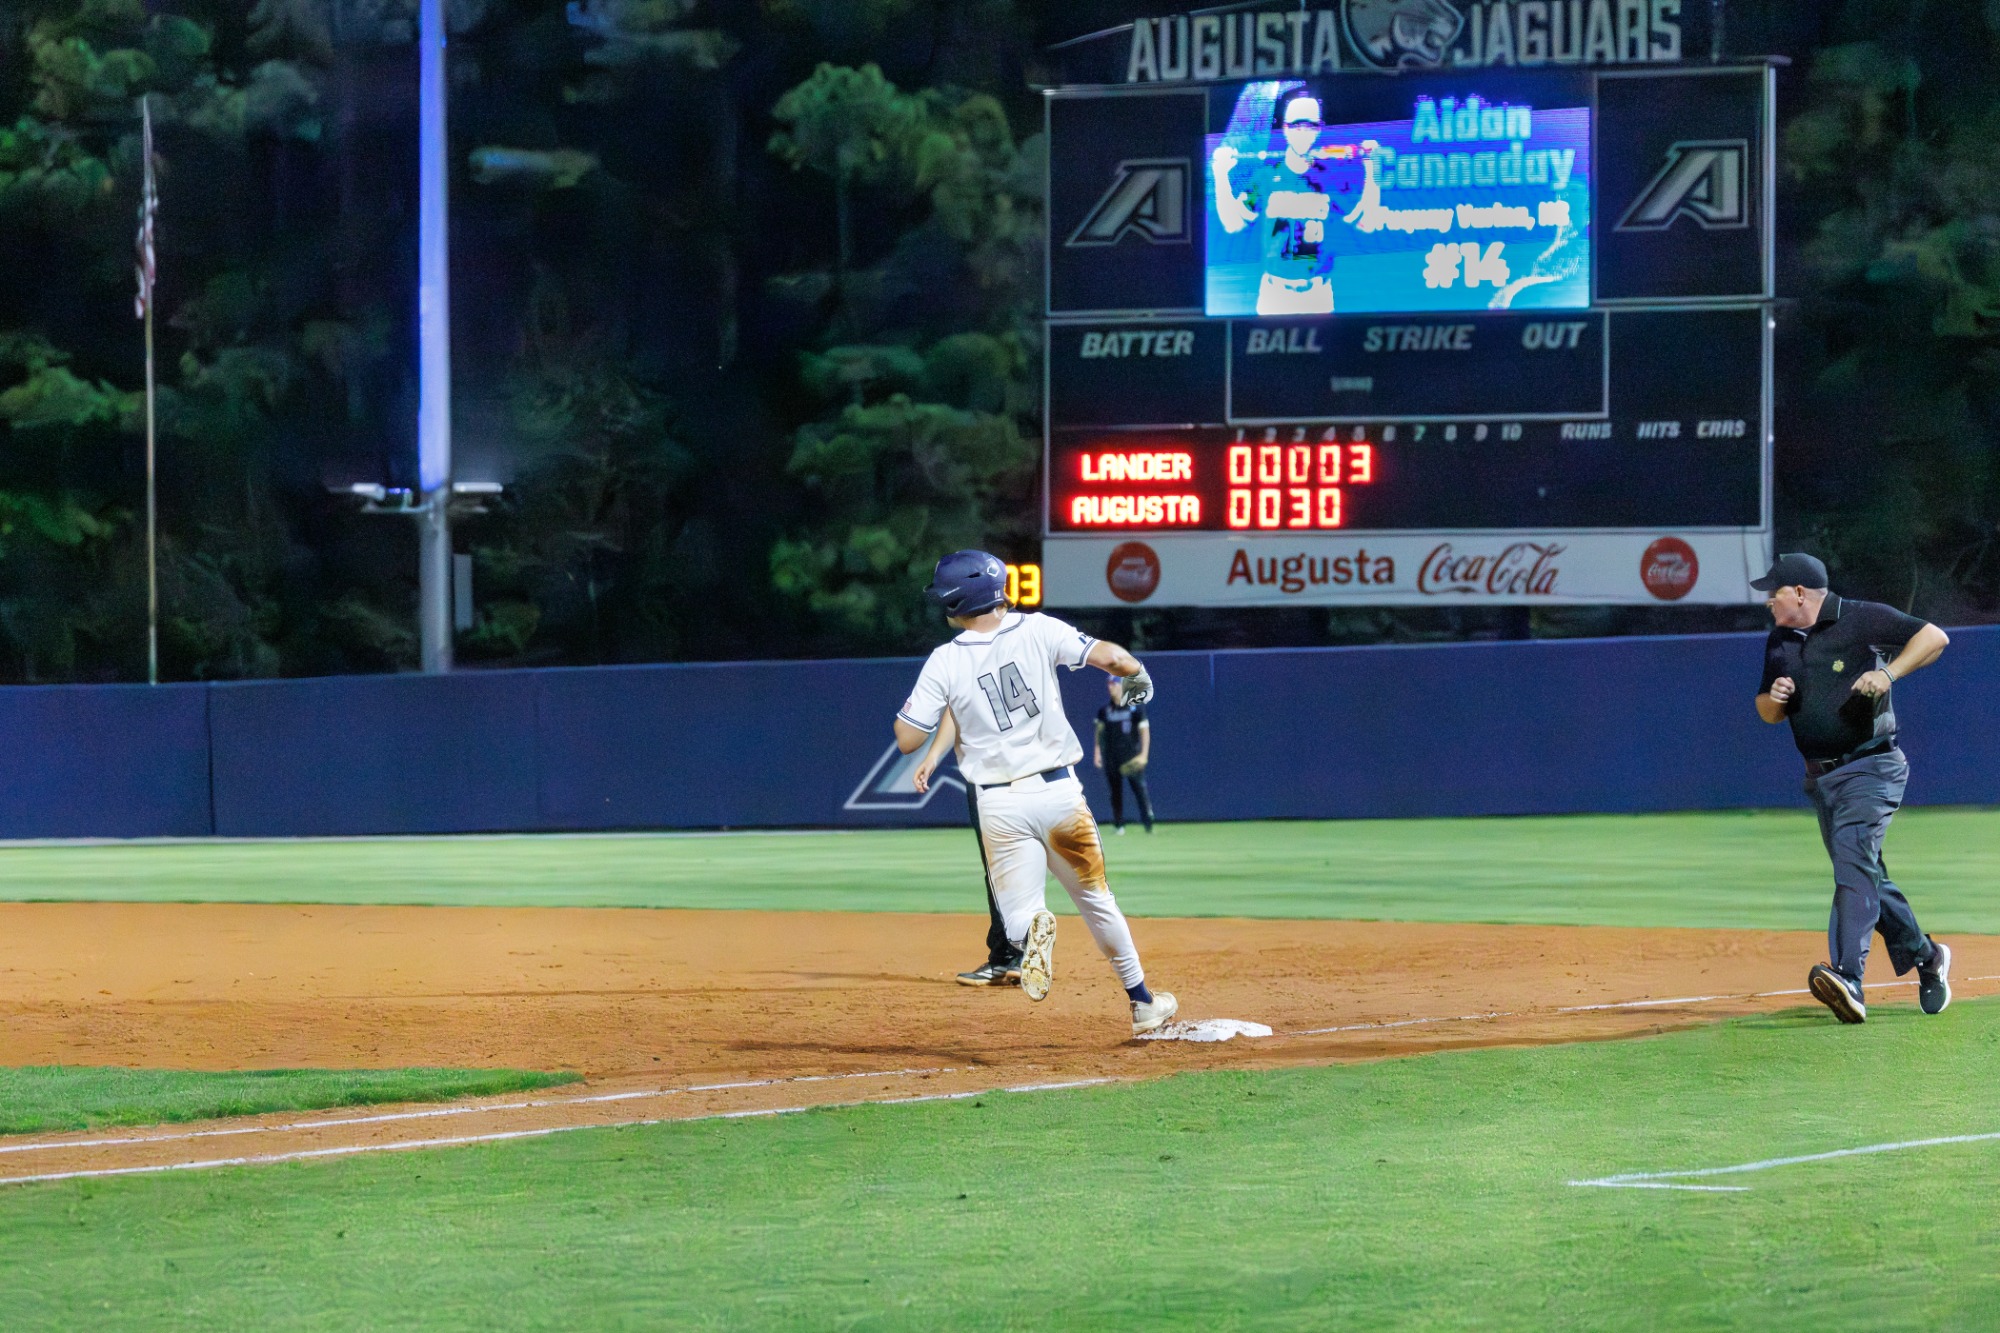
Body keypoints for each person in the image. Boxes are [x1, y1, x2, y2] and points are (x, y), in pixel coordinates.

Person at [893, 549, 1179, 1037]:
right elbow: (1113, 658)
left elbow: (907, 737)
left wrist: (931, 710)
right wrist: (1137, 679)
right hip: (1057, 793)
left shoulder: (945, 660)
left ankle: (1033, 932)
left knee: (1018, 911)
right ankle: (1142, 1002)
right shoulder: (1039, 629)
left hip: (997, 803)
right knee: (1096, 899)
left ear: (956, 600)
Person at [1752, 552, 1954, 1023]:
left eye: (1774, 592)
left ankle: (1848, 977)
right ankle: (1927, 957)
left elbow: (1934, 637)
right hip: (1820, 778)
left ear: (1800, 593)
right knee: (1864, 874)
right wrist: (1775, 701)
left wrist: (1887, 673)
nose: (1768, 601)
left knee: (1852, 863)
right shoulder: (1779, 640)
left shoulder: (1863, 618)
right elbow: (1766, 711)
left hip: (1871, 765)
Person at [1211, 87, 1380, 315]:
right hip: (1275, 295)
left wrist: (1372, 168)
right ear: (1285, 129)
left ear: (1319, 129)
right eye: (1296, 125)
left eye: (1310, 125)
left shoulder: (1331, 177)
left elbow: (1367, 222)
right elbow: (1233, 224)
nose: (1303, 132)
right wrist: (1220, 174)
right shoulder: (1266, 176)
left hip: (1317, 295)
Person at [913, 708, 1023, 987]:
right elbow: (954, 710)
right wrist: (933, 756)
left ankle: (1021, 952)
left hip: (1012, 770)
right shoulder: (968, 665)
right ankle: (1006, 954)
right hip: (992, 773)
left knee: (1016, 861)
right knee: (997, 864)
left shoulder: (985, 664)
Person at [1093, 677, 1154, 834]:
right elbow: (1100, 733)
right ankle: (1119, 825)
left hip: (1131, 756)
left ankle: (1148, 823)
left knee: (1139, 789)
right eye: (1109, 684)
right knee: (1115, 792)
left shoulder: (1135, 708)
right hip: (1112, 757)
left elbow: (1144, 732)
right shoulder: (1104, 711)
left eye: (1113, 684)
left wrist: (1144, 755)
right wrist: (1098, 752)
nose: (1110, 687)